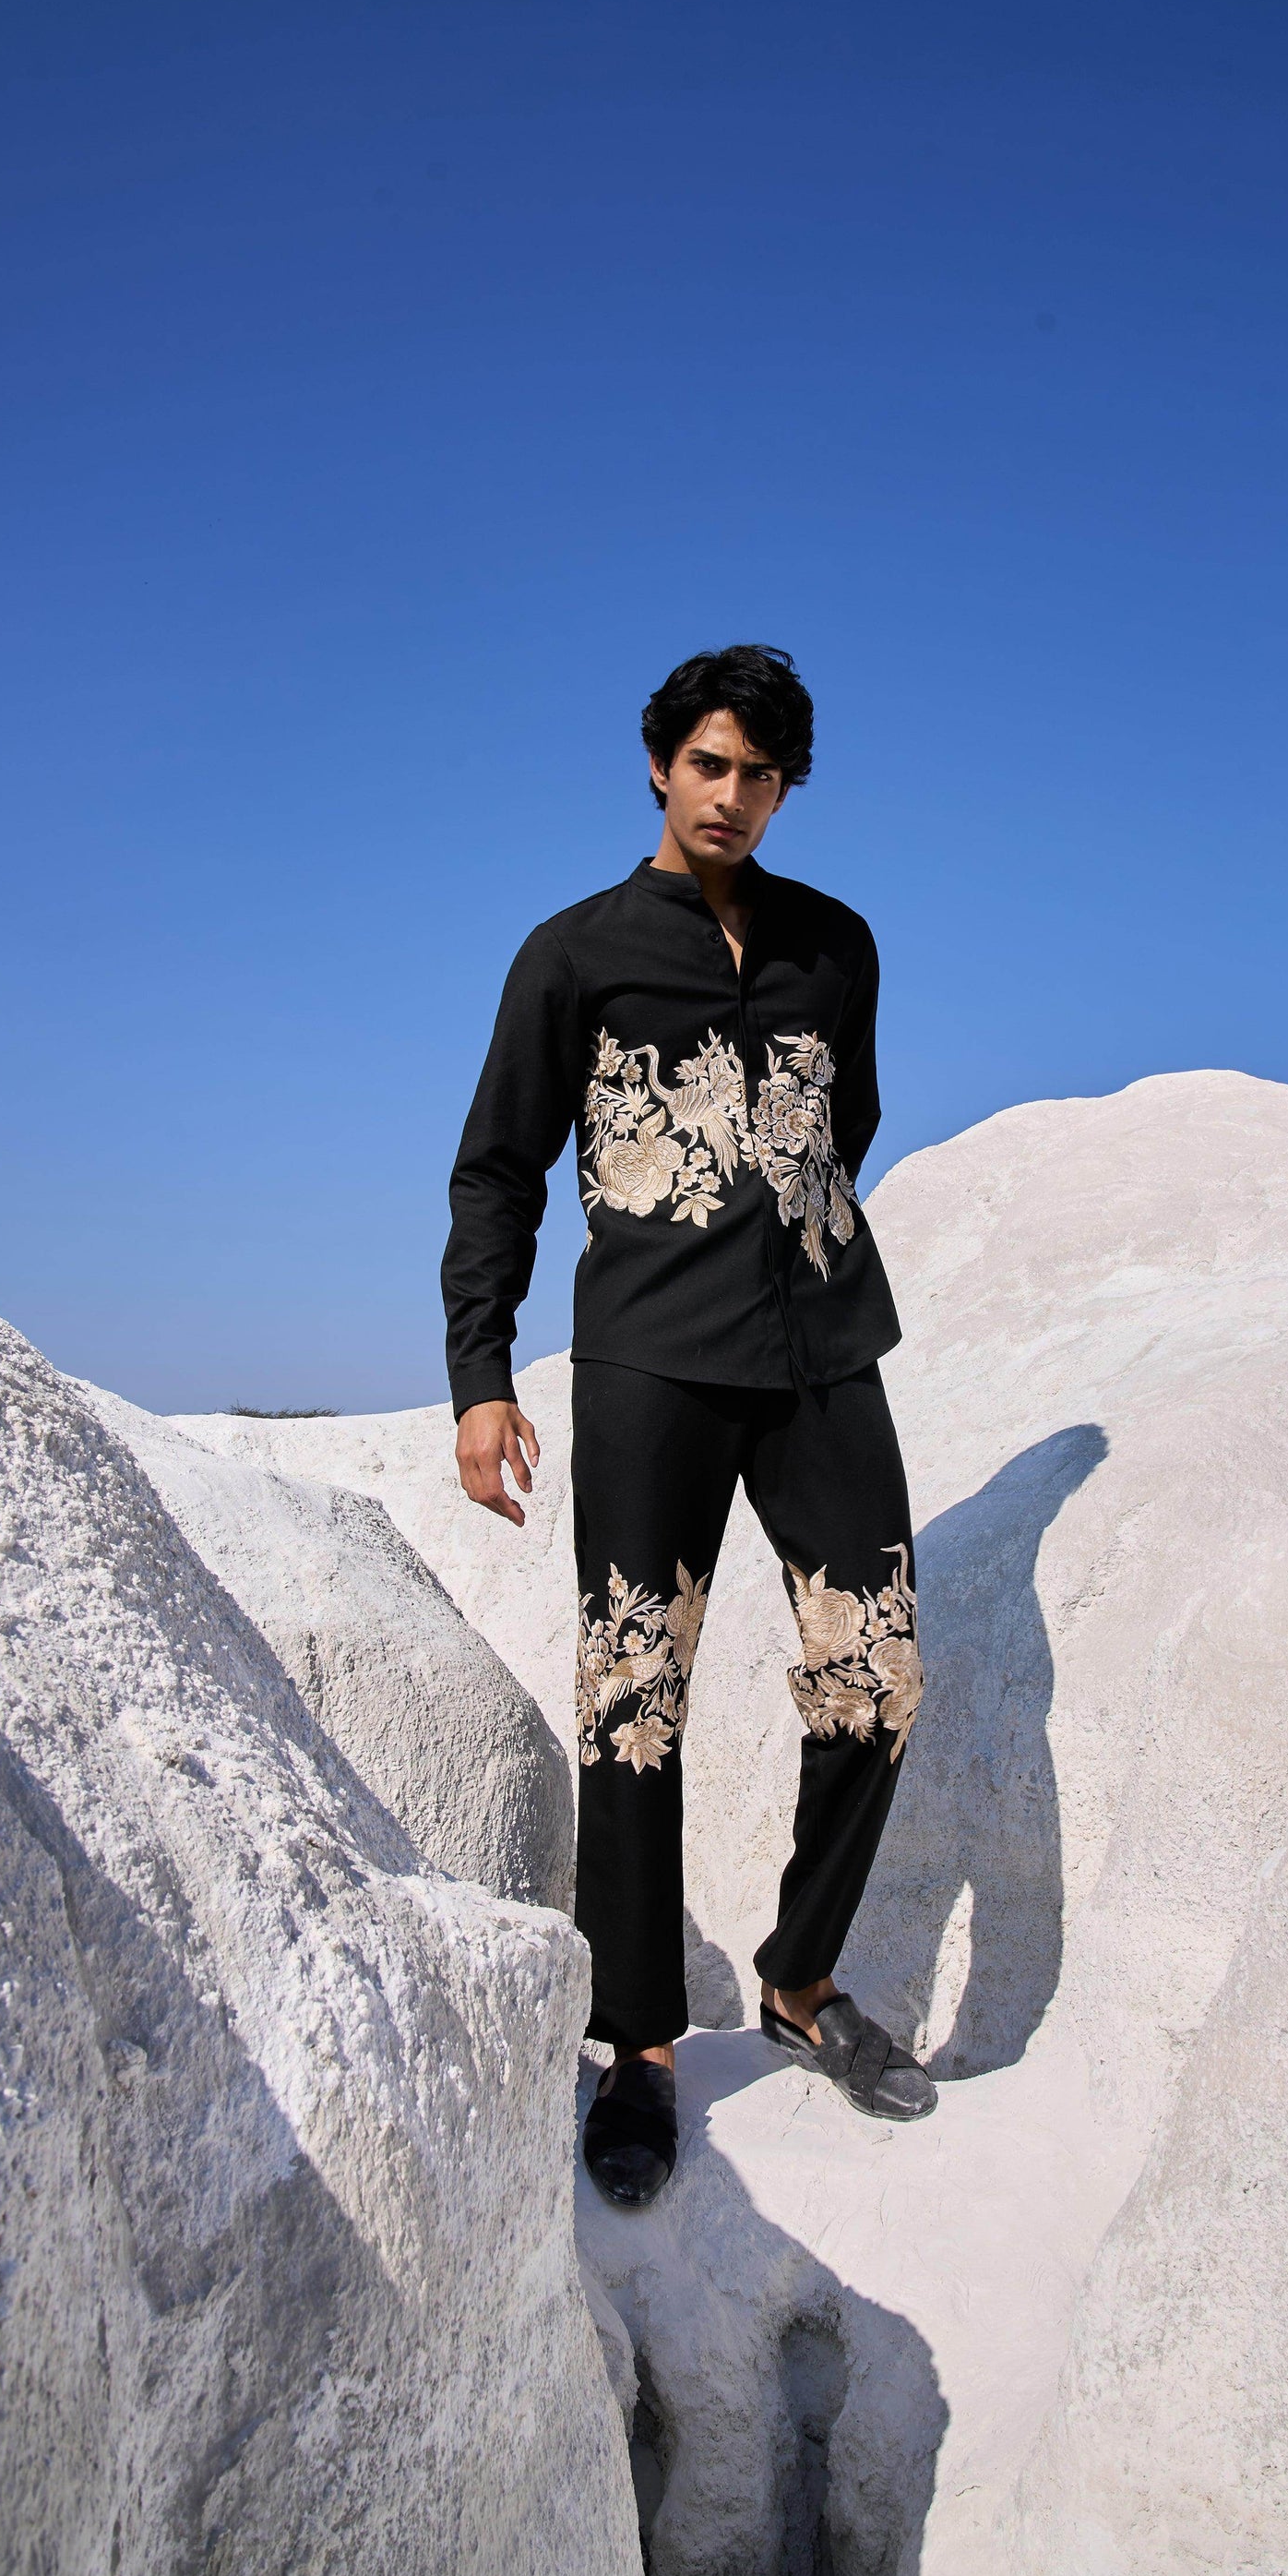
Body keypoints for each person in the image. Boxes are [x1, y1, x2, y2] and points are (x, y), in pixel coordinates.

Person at [443, 644, 935, 2209]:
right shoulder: (572, 955)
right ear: (660, 766)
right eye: (707, 765)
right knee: (634, 1695)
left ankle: (799, 1981)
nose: (729, 796)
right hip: (649, 1363)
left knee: (877, 1675)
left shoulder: (835, 944)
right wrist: (480, 1373)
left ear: (786, 789)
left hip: (821, 1354)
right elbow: (499, 1168)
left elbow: (847, 1122)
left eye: (759, 775)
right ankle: (639, 2045)